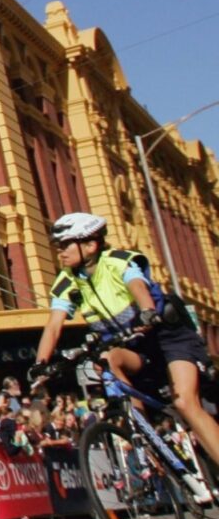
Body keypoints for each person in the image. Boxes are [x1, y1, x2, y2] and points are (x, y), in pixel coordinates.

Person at [32, 210, 219, 498]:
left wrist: (147, 311)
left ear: (90, 245)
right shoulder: (67, 281)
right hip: (131, 346)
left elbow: (137, 286)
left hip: (166, 335)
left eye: (66, 245)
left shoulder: (118, 261)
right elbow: (54, 325)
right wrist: (41, 365)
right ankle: (144, 432)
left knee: (184, 402)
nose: (61, 253)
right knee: (107, 359)